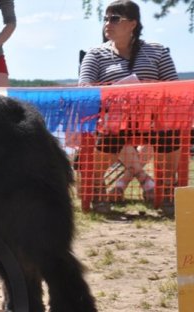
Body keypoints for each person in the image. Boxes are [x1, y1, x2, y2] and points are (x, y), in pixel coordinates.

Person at [78, 0, 179, 216]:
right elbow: (84, 89)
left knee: (171, 128)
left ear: (132, 24)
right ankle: (98, 189)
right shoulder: (95, 54)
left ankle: (168, 190)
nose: (107, 23)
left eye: (114, 18)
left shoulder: (157, 51)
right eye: (105, 18)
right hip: (113, 119)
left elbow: (174, 87)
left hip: (152, 118)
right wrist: (116, 93)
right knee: (112, 127)